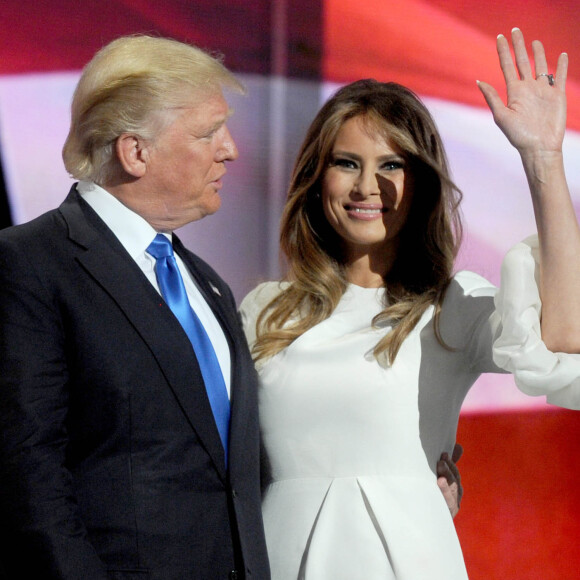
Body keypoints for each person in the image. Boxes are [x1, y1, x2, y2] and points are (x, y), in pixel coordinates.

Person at [240, 28, 580, 579]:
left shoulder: (454, 308)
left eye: (392, 165)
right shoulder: (264, 311)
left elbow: (565, 337)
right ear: (316, 176)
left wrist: (543, 159)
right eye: (347, 163)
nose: (367, 187)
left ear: (421, 184)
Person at [0, 35, 270, 579]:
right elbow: (27, 477)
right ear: (135, 151)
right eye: (207, 131)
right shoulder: (28, 264)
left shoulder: (207, 284)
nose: (230, 149)